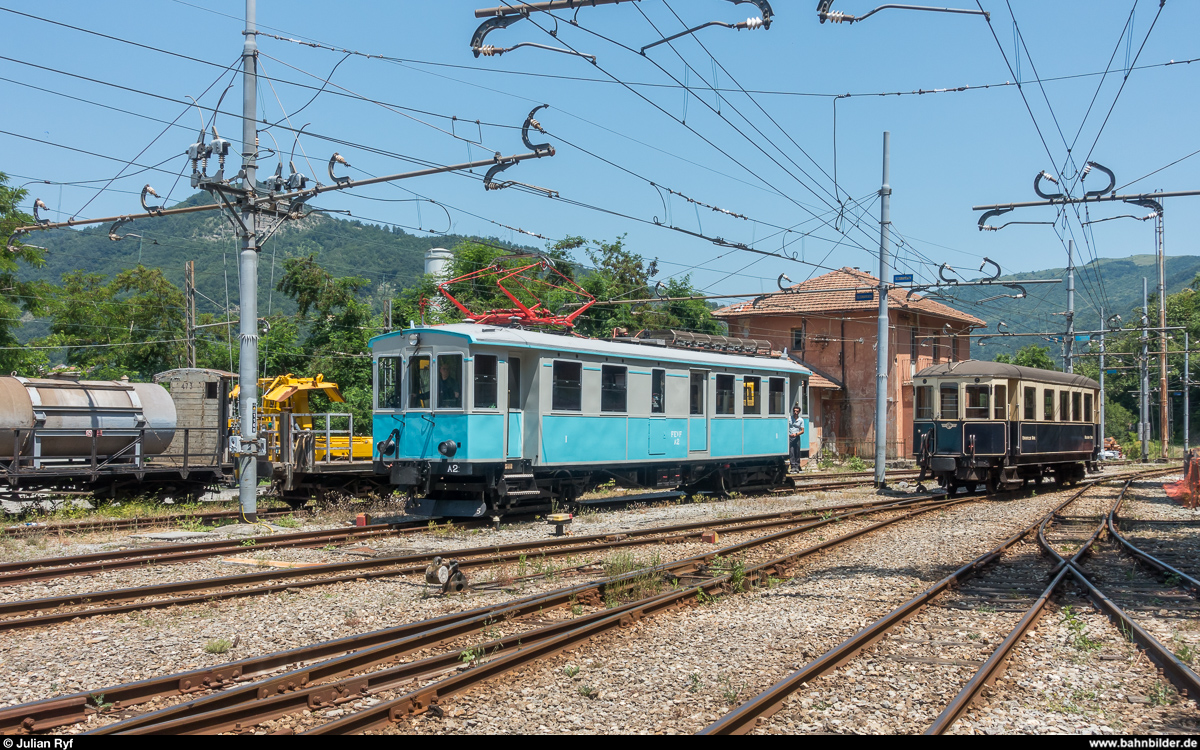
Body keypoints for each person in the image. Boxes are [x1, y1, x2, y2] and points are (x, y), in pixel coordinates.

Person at [788, 405, 805, 473]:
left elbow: (802, 431)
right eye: (794, 411)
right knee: (791, 452)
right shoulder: (789, 419)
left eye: (797, 411)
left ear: (799, 412)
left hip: (796, 437)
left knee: (797, 452)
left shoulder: (801, 420)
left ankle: (797, 466)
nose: (795, 412)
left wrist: (796, 434)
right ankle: (793, 466)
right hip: (790, 437)